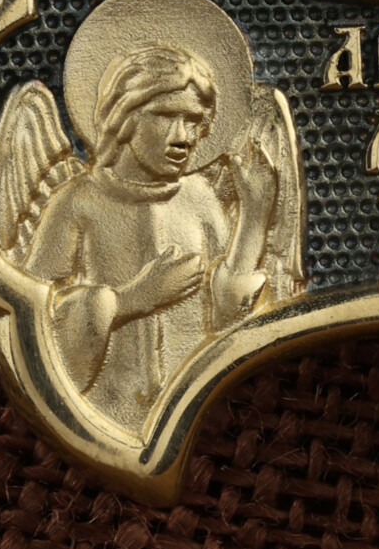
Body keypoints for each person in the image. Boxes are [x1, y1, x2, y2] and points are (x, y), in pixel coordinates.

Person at [24, 41, 281, 430]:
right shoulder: (77, 203)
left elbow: (229, 317)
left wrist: (255, 217)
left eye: (194, 120)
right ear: (125, 118)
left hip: (202, 411)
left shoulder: (200, 198)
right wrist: (130, 300)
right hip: (103, 409)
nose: (183, 136)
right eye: (165, 115)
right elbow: (34, 323)